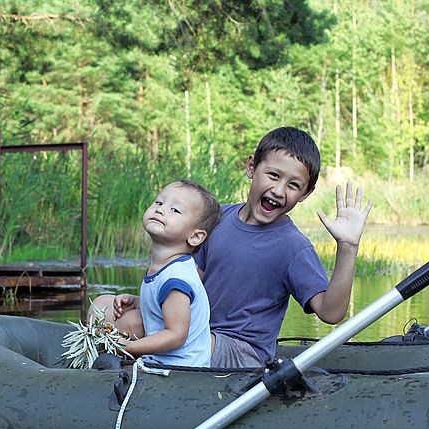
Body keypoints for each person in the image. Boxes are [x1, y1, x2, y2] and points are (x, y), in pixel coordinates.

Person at [194, 126, 373, 367]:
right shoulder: (217, 218)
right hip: (198, 335)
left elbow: (330, 313)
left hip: (244, 353)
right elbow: (190, 284)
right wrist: (148, 303)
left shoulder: (293, 247)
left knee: (186, 340)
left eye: (293, 185)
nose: (279, 191)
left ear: (306, 194)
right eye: (273, 175)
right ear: (251, 167)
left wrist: (348, 246)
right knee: (133, 321)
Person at [92, 179, 221, 367]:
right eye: (159, 203)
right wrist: (136, 301)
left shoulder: (176, 278)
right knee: (101, 303)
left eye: (175, 210)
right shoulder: (165, 266)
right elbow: (162, 306)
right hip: (162, 362)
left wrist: (128, 346)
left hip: (181, 370)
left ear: (195, 236)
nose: (160, 209)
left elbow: (176, 336)